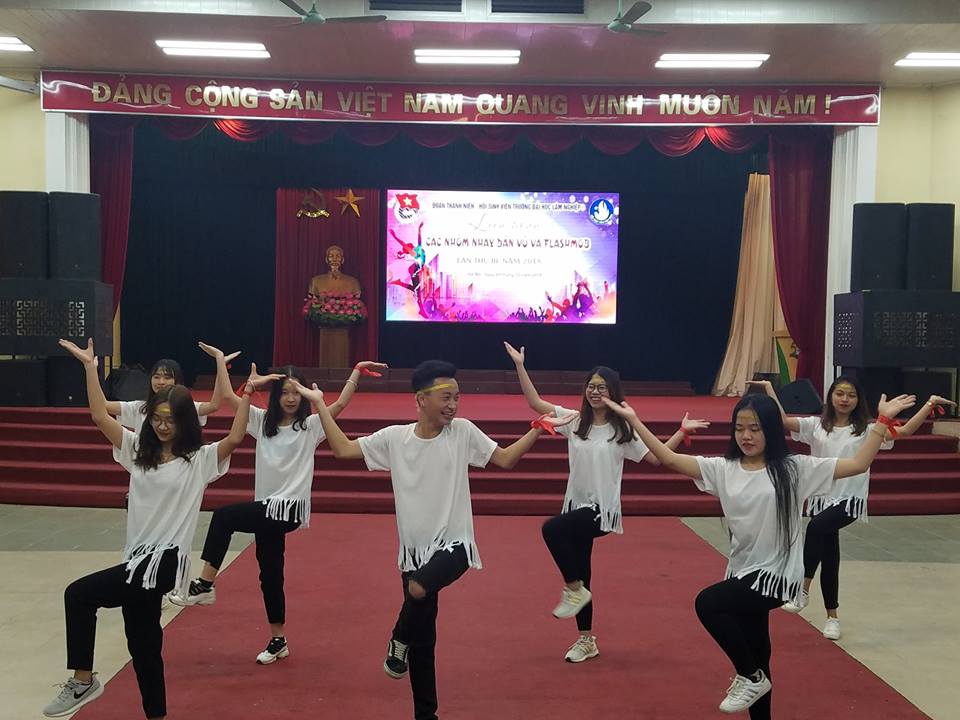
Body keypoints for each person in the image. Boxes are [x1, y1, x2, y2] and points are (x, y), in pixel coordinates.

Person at [603, 390, 915, 717]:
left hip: (778, 575)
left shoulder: (795, 469)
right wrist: (634, 421)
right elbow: (669, 459)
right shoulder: (723, 468)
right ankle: (756, 680)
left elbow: (858, 464)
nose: (746, 436)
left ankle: (749, 676)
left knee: (708, 603)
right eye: (740, 428)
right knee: (758, 652)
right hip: (744, 571)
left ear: (772, 430)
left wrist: (881, 421)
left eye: (755, 428)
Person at [296, 359, 574, 720]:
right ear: (421, 399)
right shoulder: (394, 438)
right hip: (414, 553)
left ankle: (398, 637)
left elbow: (504, 459)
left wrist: (536, 429)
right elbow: (343, 449)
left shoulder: (463, 432)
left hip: (456, 545)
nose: (453, 405)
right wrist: (320, 404)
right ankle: (426, 714)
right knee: (424, 643)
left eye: (457, 398)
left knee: (418, 589)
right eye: (446, 397)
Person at [43, 339, 251, 719]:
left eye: (171, 420)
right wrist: (90, 368)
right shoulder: (137, 450)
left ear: (185, 421)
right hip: (137, 559)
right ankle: (157, 714)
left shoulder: (198, 461)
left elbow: (235, 438)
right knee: (143, 646)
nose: (163, 425)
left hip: (165, 561)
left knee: (79, 595)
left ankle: (83, 679)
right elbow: (99, 417)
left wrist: (247, 394)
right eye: (157, 418)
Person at [505, 341, 709, 662]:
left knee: (552, 530)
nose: (595, 392)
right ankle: (586, 639)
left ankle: (573, 589)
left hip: (602, 512)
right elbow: (535, 403)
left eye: (601, 387)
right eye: (590, 386)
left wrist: (681, 432)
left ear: (612, 391)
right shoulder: (574, 420)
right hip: (576, 506)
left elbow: (658, 458)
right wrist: (520, 365)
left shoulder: (621, 429)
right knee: (583, 572)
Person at [172, 361, 387, 665]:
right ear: (275, 395)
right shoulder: (262, 422)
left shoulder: (310, 426)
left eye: (296, 392)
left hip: (288, 508)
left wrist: (355, 372)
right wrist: (233, 373)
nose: (290, 398)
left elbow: (339, 404)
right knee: (270, 574)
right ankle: (278, 639)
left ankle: (205, 584)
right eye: (285, 392)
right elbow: (231, 399)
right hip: (266, 507)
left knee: (224, 516)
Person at [749, 377, 953, 639]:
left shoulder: (867, 430)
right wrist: (769, 389)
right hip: (821, 498)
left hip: (849, 499)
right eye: (840, 393)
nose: (844, 399)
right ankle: (832, 617)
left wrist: (929, 404)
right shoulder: (816, 426)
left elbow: (904, 432)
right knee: (829, 556)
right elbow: (783, 421)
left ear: (858, 400)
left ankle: (802, 589)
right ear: (831, 396)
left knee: (816, 528)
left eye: (851, 395)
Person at [108, 343, 237, 433]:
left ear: (177, 381)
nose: (161, 382)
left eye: (167, 377)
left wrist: (220, 361)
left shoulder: (186, 407)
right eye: (156, 377)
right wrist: (94, 368)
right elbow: (103, 406)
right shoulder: (139, 408)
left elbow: (213, 405)